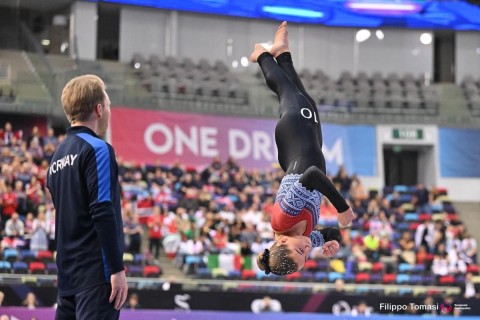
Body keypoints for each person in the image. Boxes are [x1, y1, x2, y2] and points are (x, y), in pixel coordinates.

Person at [252, 22, 355, 276]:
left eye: (301, 252)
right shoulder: (304, 236)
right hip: (306, 147)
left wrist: (341, 207)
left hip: (294, 136)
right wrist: (333, 242)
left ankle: (261, 55)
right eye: (307, 257)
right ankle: (282, 53)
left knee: (287, 91)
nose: (308, 250)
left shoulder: (283, 219)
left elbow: (312, 175)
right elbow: (330, 233)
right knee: (303, 97)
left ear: (282, 242)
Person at [47, 74, 127, 319]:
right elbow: (102, 209)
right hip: (96, 275)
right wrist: (116, 268)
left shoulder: (56, 158)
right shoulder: (98, 149)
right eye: (109, 105)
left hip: (68, 278)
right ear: (99, 109)